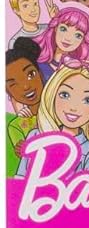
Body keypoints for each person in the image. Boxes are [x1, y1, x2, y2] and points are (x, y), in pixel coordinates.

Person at [15, 59, 89, 177]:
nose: (73, 107)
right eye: (65, 95)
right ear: (52, 94)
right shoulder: (35, 135)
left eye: (88, 100)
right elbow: (20, 177)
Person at [5, 38, 45, 172]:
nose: (26, 86)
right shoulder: (16, 125)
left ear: (40, 73)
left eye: (30, 74)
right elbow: (23, 153)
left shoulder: (61, 111)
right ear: (8, 91)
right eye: (13, 84)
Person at [34, 7, 89, 81]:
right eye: (63, 29)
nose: (68, 38)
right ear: (56, 28)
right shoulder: (39, 65)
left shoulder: (78, 71)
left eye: (78, 35)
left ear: (83, 40)